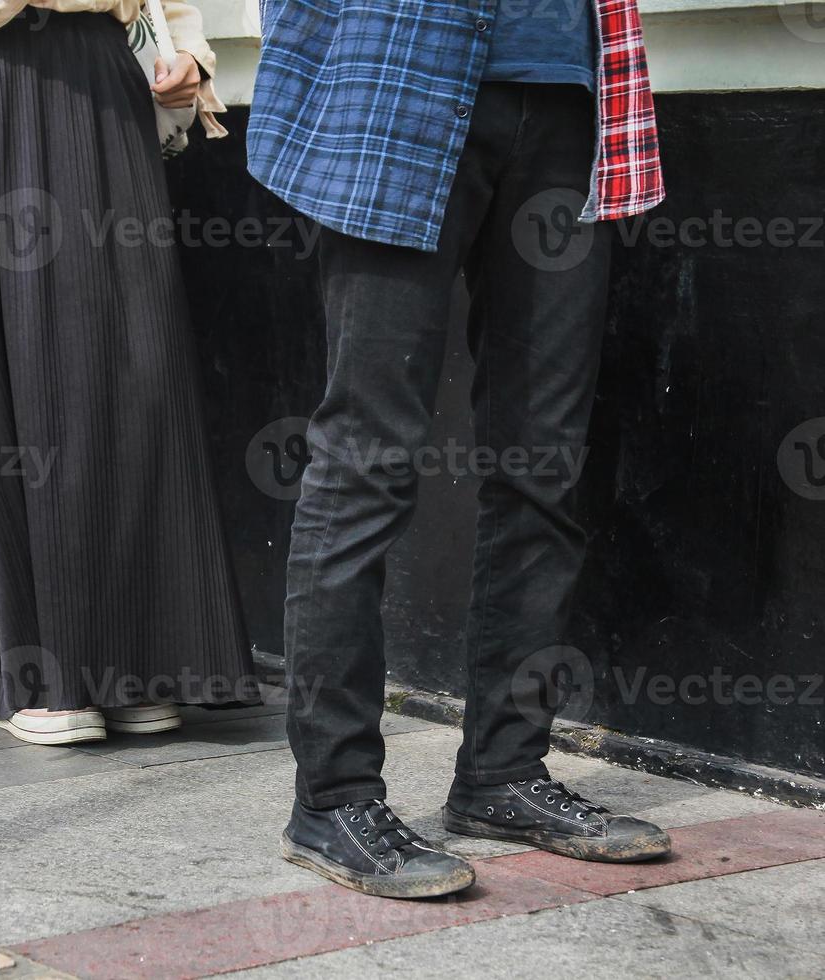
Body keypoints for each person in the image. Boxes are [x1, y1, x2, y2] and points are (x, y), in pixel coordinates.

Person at [249, 0, 675, 897]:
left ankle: (503, 775)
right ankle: (332, 800)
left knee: (543, 463)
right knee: (367, 459)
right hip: (394, 85)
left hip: (567, 94)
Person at [0, 0, 260, 744]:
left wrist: (190, 56)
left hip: (107, 77)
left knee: (137, 366)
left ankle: (137, 660)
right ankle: (41, 669)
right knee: (23, 363)